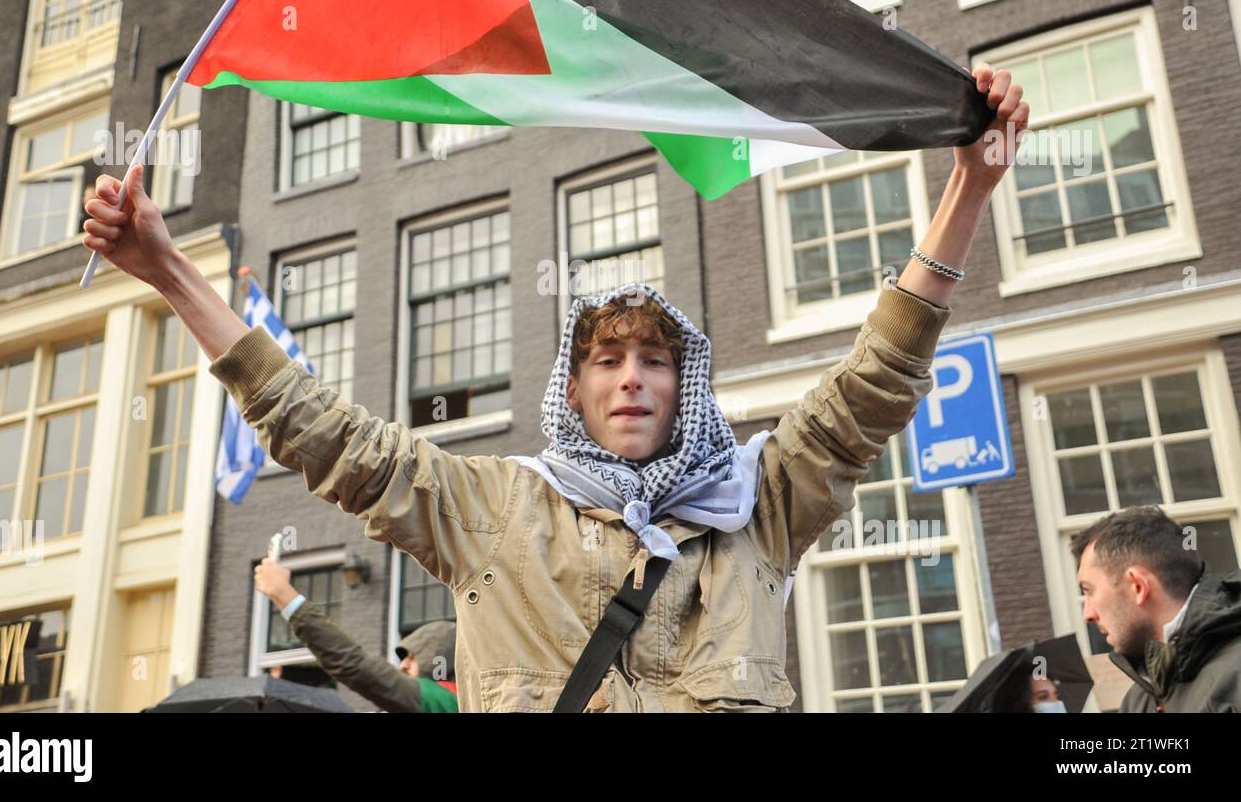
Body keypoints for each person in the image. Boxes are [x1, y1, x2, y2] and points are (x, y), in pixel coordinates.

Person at [82, 66, 1029, 712]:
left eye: (654, 361)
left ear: (682, 385)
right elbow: (323, 434)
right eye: (609, 363)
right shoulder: (491, 508)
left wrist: (968, 193)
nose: (632, 380)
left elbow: (874, 386)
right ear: (572, 393)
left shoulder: (760, 508)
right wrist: (170, 272)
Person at [1072, 505, 1241, 712]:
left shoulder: (1235, 679)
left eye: (1089, 591)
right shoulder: (1137, 702)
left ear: (1138, 586)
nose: (1087, 614)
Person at [254, 557, 458, 713]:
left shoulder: (445, 701)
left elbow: (354, 664)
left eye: (414, 658)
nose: (402, 665)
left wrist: (284, 595)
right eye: (404, 658)